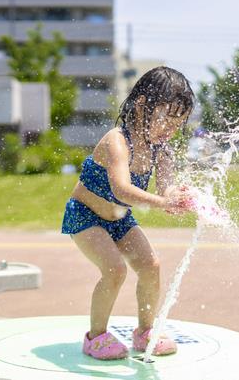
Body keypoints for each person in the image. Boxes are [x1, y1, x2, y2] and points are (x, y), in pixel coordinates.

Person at [61, 66, 196, 360]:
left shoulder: (162, 150)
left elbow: (166, 189)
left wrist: (179, 198)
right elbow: (121, 188)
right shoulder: (117, 141)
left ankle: (145, 331)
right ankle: (95, 337)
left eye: (179, 123)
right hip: (86, 216)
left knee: (151, 266)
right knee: (115, 270)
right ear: (141, 106)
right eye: (167, 120)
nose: (171, 129)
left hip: (120, 219)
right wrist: (162, 204)